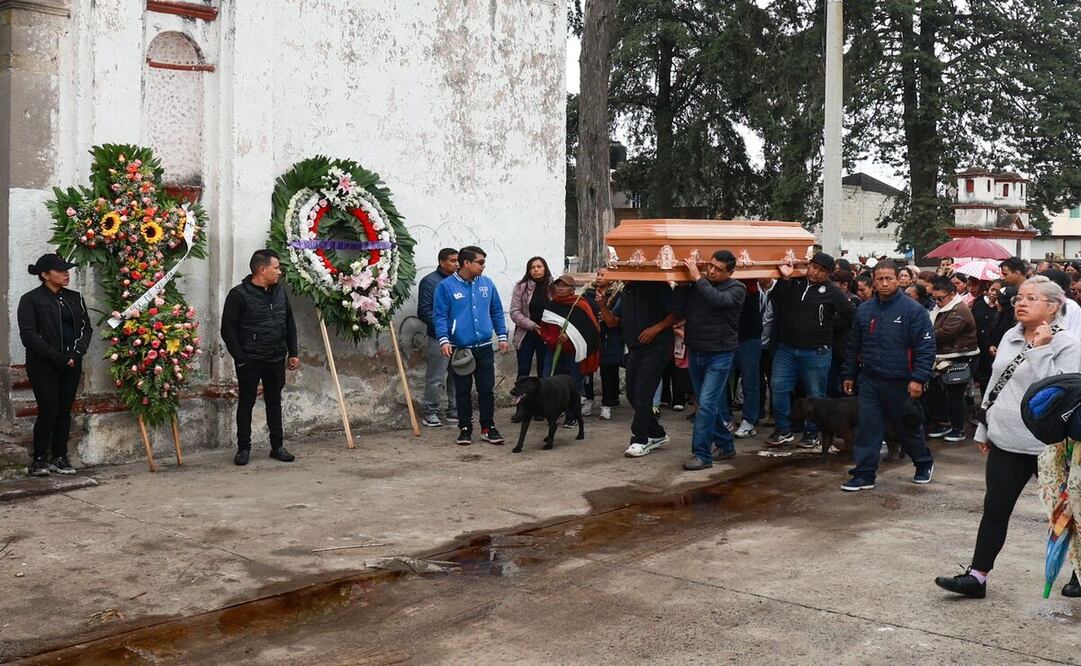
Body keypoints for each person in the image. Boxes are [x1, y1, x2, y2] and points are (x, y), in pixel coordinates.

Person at [935, 276, 1081, 599]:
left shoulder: (1068, 343)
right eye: (1019, 298)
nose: (1021, 303)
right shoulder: (1010, 336)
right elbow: (995, 384)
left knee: (1072, 514)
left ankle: (1079, 574)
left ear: (1053, 307)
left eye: (1031, 299)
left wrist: (1041, 350)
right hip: (1007, 442)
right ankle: (977, 576)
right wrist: (985, 427)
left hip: (1052, 448)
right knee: (995, 510)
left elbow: (1061, 395)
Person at [841, 260, 936, 491]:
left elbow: (926, 348)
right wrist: (849, 375)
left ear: (898, 280)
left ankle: (923, 463)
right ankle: (864, 474)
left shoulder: (913, 311)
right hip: (870, 380)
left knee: (906, 428)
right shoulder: (864, 310)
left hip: (902, 382)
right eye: (880, 279)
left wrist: (918, 379)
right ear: (873, 281)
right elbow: (854, 345)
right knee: (868, 427)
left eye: (889, 278)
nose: (884, 283)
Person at [765, 252, 854, 448]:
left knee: (815, 395)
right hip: (787, 348)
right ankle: (783, 429)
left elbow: (849, 315)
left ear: (828, 273)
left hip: (816, 351)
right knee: (778, 387)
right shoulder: (795, 282)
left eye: (821, 271)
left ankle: (812, 432)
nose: (815, 272)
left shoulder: (832, 291)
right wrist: (785, 279)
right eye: (813, 267)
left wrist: (829, 326)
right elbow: (775, 299)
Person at [221, 250, 300, 466]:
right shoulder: (238, 295)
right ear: (261, 269)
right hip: (250, 360)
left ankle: (277, 446)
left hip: (275, 358)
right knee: (246, 402)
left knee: (274, 402)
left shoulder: (280, 292)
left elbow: (289, 323)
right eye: (276, 268)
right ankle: (243, 448)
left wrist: (292, 352)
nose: (279, 272)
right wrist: (241, 358)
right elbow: (228, 330)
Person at [17, 254, 93, 477]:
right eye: (60, 270)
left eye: (67, 270)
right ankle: (39, 459)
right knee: (48, 409)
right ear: (45, 274)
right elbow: (29, 336)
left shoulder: (74, 298)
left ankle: (60, 456)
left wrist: (76, 353)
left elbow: (85, 329)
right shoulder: (30, 300)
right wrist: (58, 357)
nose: (66, 273)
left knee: (64, 411)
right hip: (43, 364)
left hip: (71, 363)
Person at [674, 250, 746, 470]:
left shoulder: (737, 288)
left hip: (720, 354)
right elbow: (678, 309)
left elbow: (718, 302)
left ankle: (702, 455)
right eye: (710, 266)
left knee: (705, 405)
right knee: (708, 405)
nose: (711, 271)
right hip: (696, 351)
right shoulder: (699, 284)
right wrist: (683, 285)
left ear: (730, 272)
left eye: (718, 269)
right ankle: (725, 445)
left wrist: (696, 278)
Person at [433, 246, 509, 446]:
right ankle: (465, 428)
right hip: (461, 349)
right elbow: (440, 315)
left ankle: (488, 427)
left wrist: (502, 335)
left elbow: (496, 311)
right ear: (466, 263)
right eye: (480, 262)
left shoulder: (487, 284)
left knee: (486, 389)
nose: (484, 266)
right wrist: (444, 339)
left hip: (484, 347)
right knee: (462, 391)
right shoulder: (446, 287)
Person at [618, 278, 675, 459]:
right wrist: (603, 304)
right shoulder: (626, 290)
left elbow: (676, 312)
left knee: (643, 393)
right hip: (635, 346)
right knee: (632, 395)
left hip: (658, 346)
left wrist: (656, 329)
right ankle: (657, 433)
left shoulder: (659, 285)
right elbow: (613, 321)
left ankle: (640, 439)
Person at [538, 274, 601, 428]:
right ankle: (554, 413)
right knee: (549, 380)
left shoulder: (581, 305)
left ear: (572, 289)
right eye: (558, 285)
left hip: (574, 353)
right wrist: (549, 339)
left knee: (572, 385)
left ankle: (571, 416)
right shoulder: (551, 305)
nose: (560, 288)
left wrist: (570, 337)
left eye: (564, 286)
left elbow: (591, 329)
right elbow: (543, 328)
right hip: (553, 351)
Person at [926, 276, 980, 442]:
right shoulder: (941, 308)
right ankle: (944, 423)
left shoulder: (958, 310)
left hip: (960, 358)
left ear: (951, 294)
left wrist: (923, 335)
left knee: (955, 394)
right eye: (933, 298)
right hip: (941, 357)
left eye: (940, 298)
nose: (936, 302)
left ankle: (958, 428)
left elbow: (946, 333)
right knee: (938, 393)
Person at [417, 248, 459, 428]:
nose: (457, 264)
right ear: (442, 262)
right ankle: (430, 412)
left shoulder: (460, 281)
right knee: (436, 376)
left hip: (460, 337)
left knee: (457, 375)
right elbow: (424, 311)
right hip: (438, 337)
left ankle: (455, 410)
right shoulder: (430, 282)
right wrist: (444, 329)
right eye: (452, 261)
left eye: (458, 260)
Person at [723, 279, 765, 437]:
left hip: (749, 337)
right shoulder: (720, 279)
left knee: (750, 382)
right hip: (726, 337)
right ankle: (725, 418)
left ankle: (749, 420)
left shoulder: (749, 281)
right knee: (720, 381)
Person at [509, 256, 552, 379]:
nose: (536, 270)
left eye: (539, 266)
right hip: (526, 334)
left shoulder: (553, 287)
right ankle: (521, 397)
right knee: (523, 371)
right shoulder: (521, 287)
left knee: (544, 371)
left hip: (547, 334)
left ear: (545, 268)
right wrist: (532, 326)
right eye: (532, 267)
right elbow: (514, 312)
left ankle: (543, 398)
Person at [592, 269, 625, 420]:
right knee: (588, 369)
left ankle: (608, 403)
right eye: (598, 274)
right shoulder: (588, 292)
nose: (599, 277)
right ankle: (587, 399)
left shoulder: (618, 293)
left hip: (611, 336)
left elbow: (615, 317)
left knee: (609, 369)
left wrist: (605, 312)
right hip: (593, 334)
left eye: (603, 275)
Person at [989, 256, 1028, 349]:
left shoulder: (1033, 292)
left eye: (1005, 274)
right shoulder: (1007, 291)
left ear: (1017, 273)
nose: (1003, 278)